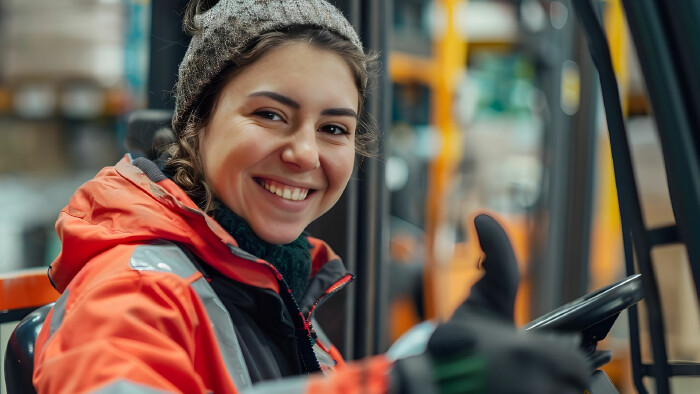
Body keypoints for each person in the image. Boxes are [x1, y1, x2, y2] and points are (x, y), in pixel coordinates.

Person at [33, 0, 591, 393]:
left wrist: (434, 352)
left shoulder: (268, 277)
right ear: (196, 124)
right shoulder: (134, 291)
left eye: (333, 128)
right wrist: (404, 387)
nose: (306, 154)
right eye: (271, 115)